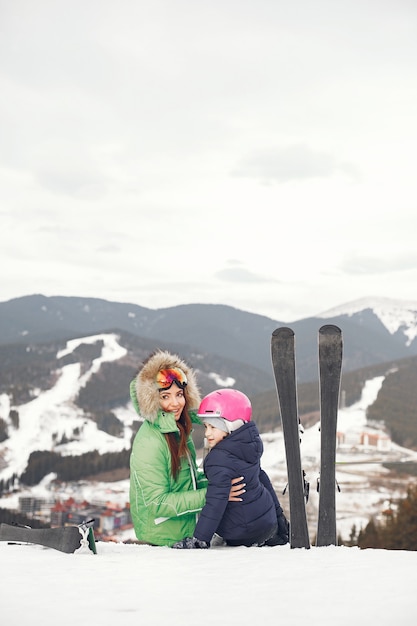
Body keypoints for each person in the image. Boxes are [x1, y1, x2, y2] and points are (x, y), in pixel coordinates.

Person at [129, 350, 244, 546]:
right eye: (165, 396)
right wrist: (212, 494)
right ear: (152, 401)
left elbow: (187, 482)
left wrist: (219, 485)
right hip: (160, 542)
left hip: (181, 533)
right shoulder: (150, 443)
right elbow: (157, 503)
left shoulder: (176, 430)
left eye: (179, 394)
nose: (176, 403)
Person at [172, 388, 289, 549]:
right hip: (267, 521)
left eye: (213, 427)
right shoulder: (249, 444)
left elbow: (216, 501)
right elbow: (261, 477)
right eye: (206, 427)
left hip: (242, 532)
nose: (207, 433)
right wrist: (278, 514)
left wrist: (200, 539)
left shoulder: (219, 459)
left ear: (231, 425)